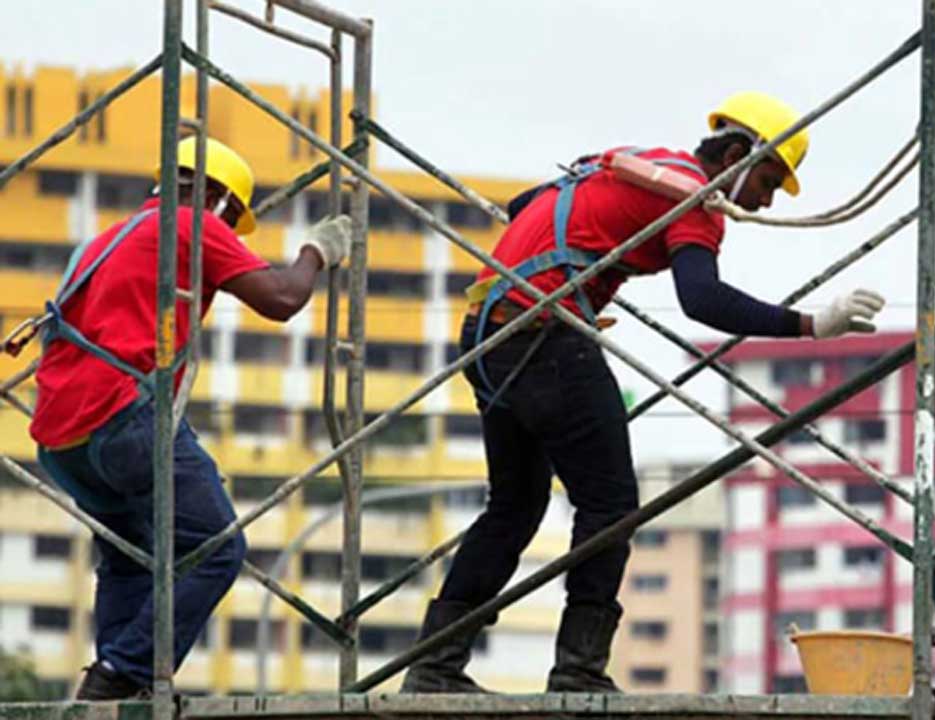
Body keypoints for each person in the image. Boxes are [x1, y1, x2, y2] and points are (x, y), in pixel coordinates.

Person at [401, 91, 886, 694]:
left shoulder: (636, 163)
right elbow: (701, 298)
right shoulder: (693, 199)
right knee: (609, 507)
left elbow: (526, 203)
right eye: (765, 179)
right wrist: (811, 325)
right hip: (546, 338)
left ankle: (433, 668)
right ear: (736, 154)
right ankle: (577, 672)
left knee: (514, 506)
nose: (762, 201)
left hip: (488, 334)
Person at [28, 137, 353, 699]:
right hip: (121, 418)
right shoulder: (191, 225)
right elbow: (280, 299)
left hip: (63, 439)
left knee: (133, 563)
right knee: (216, 545)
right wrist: (316, 253)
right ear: (218, 198)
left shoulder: (105, 239)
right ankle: (125, 673)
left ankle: (111, 689)